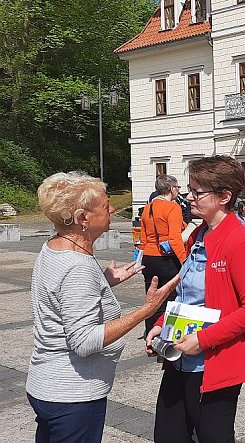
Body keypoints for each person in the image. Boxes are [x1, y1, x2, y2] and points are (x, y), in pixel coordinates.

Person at [28, 172, 178, 443]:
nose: (112, 209)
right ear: (83, 218)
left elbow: (59, 295)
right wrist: (146, 310)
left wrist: (103, 282)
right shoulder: (78, 266)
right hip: (72, 396)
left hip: (47, 385)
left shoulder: (54, 247)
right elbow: (84, 341)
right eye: (105, 204)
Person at [146, 155, 245, 442]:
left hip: (214, 363)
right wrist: (161, 324)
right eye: (190, 189)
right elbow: (186, 293)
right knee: (168, 435)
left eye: (197, 192)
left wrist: (202, 341)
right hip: (180, 357)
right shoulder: (199, 235)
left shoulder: (240, 243)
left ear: (224, 196)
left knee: (213, 436)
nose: (189, 197)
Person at [140, 175, 188, 338]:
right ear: (171, 189)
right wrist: (184, 260)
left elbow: (144, 237)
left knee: (151, 297)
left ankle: (150, 334)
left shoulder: (148, 207)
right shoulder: (173, 208)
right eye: (178, 188)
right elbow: (174, 238)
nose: (178, 191)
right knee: (171, 298)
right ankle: (167, 335)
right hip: (166, 258)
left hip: (149, 257)